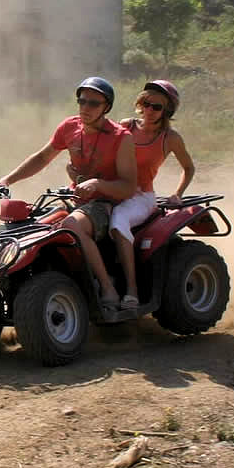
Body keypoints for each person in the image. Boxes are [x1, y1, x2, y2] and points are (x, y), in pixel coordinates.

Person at [0, 77, 137, 314]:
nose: (85, 108)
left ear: (106, 107)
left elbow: (128, 187)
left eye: (93, 103)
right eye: (82, 101)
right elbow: (42, 158)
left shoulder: (121, 137)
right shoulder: (69, 127)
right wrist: (6, 180)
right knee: (27, 225)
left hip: (106, 203)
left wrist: (98, 184)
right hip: (75, 198)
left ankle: (108, 287)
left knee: (71, 225)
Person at [79, 80, 195, 310]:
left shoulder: (170, 138)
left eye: (157, 107)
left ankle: (131, 289)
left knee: (119, 220)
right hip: (114, 191)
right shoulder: (125, 126)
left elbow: (189, 168)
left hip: (140, 197)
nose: (150, 110)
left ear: (168, 111)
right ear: (140, 103)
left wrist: (177, 193)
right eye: (146, 103)